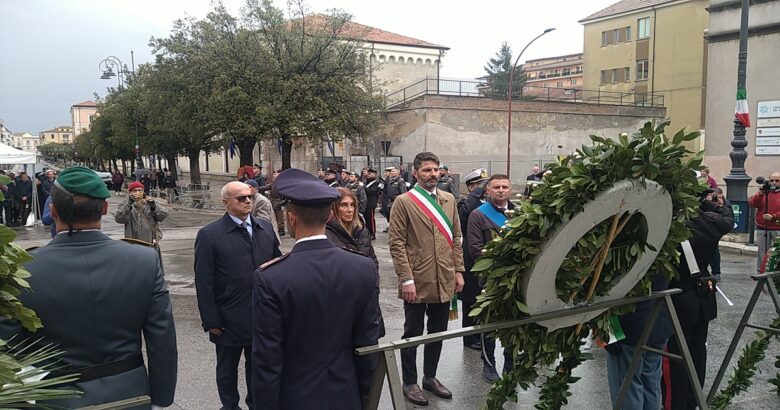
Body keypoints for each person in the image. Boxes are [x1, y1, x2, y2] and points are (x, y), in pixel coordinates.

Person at [0, 166, 177, 408]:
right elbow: (162, 340)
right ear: (104, 209)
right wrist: (162, 400)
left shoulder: (22, 269)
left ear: (53, 210)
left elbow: (10, 351)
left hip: (53, 398)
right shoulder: (143, 260)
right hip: (129, 394)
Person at [252, 169, 380, 409]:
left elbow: (267, 359)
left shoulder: (271, 277)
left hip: (295, 397)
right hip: (346, 392)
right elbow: (367, 344)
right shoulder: (362, 267)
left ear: (291, 218)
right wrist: (364, 394)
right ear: (330, 215)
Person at [195, 181, 281, 410]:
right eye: (241, 198)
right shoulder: (210, 235)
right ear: (226, 203)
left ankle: (256, 404)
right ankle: (230, 406)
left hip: (262, 315)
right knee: (227, 369)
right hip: (228, 316)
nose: (247, 202)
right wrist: (211, 319)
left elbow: (278, 267)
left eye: (250, 197)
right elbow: (204, 281)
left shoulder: (265, 228)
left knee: (258, 367)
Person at [388, 152, 465, 406]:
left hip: (444, 275)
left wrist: (458, 270)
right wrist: (406, 279)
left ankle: (430, 377)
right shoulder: (404, 201)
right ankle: (410, 381)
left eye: (436, 170)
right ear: (416, 173)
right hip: (417, 278)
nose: (433, 174)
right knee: (413, 331)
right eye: (427, 170)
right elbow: (397, 242)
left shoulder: (449, 199)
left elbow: (456, 238)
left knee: (437, 331)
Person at [665, 188, 734, 410]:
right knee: (697, 352)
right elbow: (728, 217)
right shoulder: (709, 222)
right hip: (701, 298)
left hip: (678, 298)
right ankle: (693, 400)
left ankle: (677, 403)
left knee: (677, 356)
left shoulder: (667, 225)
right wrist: (709, 204)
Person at [466, 174, 516, 381]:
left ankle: (510, 362)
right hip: (490, 279)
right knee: (489, 323)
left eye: (505, 186)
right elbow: (476, 250)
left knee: (513, 321)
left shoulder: (520, 212)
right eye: (496, 187)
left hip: (516, 278)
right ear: (487, 190)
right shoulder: (478, 215)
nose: (501, 190)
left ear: (510, 189)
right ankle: (489, 363)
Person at [606, 274, 672, 410]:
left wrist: (610, 334)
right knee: (651, 386)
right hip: (658, 320)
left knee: (627, 390)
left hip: (626, 326)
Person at [457, 168, 489, 350]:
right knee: (471, 299)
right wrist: (477, 192)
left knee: (482, 297)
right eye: (479, 184)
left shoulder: (488, 203)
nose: (483, 188)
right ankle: (469, 338)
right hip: (470, 257)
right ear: (470, 187)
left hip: (486, 256)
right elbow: (466, 214)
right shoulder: (465, 204)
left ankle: (482, 333)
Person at [325, 187, 378, 273]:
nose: (350, 210)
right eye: (344, 205)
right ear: (333, 207)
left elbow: (373, 260)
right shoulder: (326, 233)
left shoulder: (361, 229)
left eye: (352, 205)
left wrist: (373, 283)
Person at [115, 181, 169, 245]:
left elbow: (162, 216)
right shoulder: (126, 204)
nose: (137, 192)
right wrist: (129, 203)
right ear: (130, 193)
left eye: (140, 190)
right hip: (132, 241)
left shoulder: (149, 202)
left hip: (150, 241)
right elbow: (119, 219)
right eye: (135, 191)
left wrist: (154, 207)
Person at [748, 171, 780, 273]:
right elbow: (753, 204)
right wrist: (760, 194)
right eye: (772, 180)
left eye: (777, 180)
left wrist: (774, 216)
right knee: (762, 252)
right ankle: (761, 271)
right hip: (763, 227)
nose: (774, 182)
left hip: (777, 227)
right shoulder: (764, 192)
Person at [260, 170, 286, 237]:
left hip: (278, 201)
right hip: (272, 200)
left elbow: (285, 194)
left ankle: (281, 229)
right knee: (273, 215)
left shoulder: (281, 184)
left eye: (276, 174)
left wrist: (282, 203)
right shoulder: (273, 183)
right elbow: (266, 187)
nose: (274, 176)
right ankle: (275, 228)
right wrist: (258, 188)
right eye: (274, 174)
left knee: (279, 216)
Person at [382, 167, 407, 232]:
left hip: (397, 201)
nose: (392, 173)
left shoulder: (400, 181)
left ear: (398, 173)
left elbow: (403, 192)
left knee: (397, 217)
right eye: (391, 171)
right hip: (390, 201)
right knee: (391, 215)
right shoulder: (390, 180)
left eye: (394, 171)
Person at [363, 168, 382, 240]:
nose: (369, 175)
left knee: (370, 219)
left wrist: (364, 187)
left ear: (374, 174)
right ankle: (367, 232)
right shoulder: (367, 182)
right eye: (369, 173)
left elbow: (372, 192)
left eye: (371, 174)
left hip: (371, 203)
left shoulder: (376, 183)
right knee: (366, 219)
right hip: (366, 203)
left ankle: (372, 233)